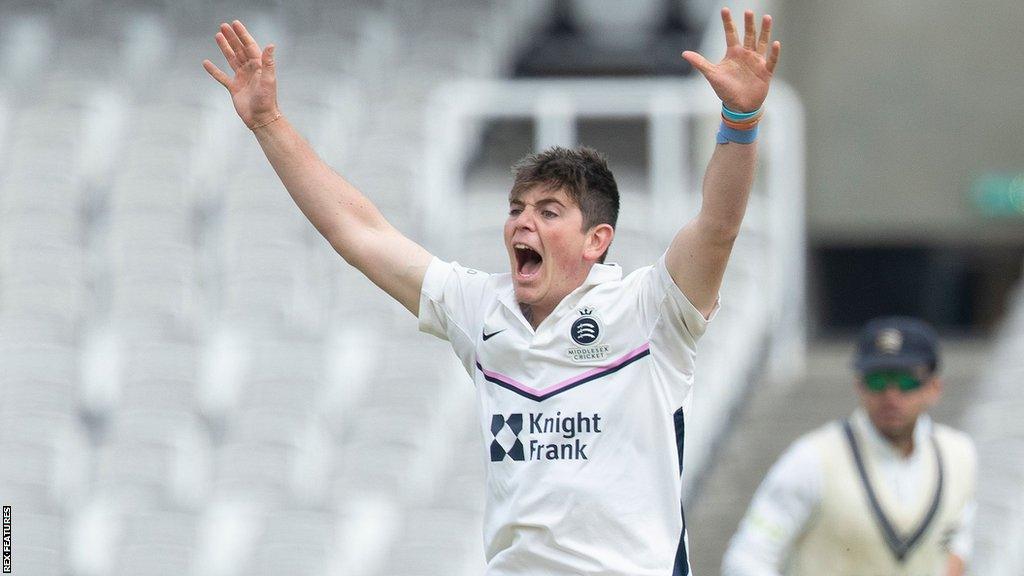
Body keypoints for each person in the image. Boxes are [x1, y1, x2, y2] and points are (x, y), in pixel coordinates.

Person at [203, 8, 780, 575]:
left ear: (596, 240)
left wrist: (740, 119)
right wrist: (269, 123)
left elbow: (718, 226)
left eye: (548, 212)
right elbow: (358, 232)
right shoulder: (482, 309)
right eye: (516, 209)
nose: (521, 224)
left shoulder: (649, 310)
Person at [722, 317, 977, 576]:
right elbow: (747, 557)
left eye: (906, 381)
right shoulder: (813, 457)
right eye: (877, 380)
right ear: (859, 385)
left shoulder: (959, 454)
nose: (891, 396)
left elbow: (957, 539)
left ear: (934, 387)